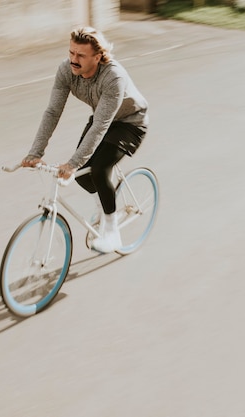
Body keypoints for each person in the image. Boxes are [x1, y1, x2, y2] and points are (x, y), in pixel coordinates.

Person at [21, 26, 149, 253]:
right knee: (82, 176)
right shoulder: (66, 70)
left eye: (81, 55)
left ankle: (112, 232)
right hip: (102, 117)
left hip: (129, 123)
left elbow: (101, 125)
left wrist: (73, 163)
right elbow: (52, 112)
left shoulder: (113, 77)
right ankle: (106, 201)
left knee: (97, 169)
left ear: (97, 57)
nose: (73, 59)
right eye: (71, 52)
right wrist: (35, 152)